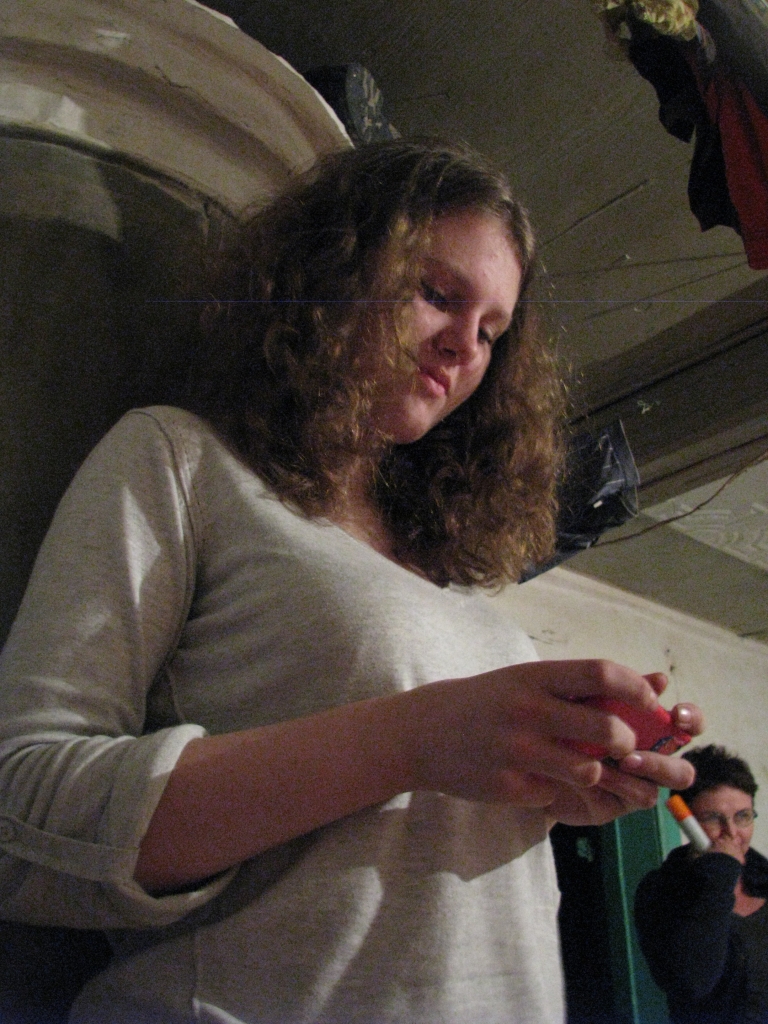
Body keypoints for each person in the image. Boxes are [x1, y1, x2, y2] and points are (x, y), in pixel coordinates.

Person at [0, 139, 702, 1024]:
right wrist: (414, 737)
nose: (464, 347)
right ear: (334, 273)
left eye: (491, 331)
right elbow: (21, 816)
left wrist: (560, 781)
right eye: (437, 294)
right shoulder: (182, 460)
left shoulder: (439, 568)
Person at [635, 745, 767, 1024]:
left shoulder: (764, 878)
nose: (732, 833)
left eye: (743, 816)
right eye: (712, 818)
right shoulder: (661, 889)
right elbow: (692, 982)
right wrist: (721, 871)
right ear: (686, 821)